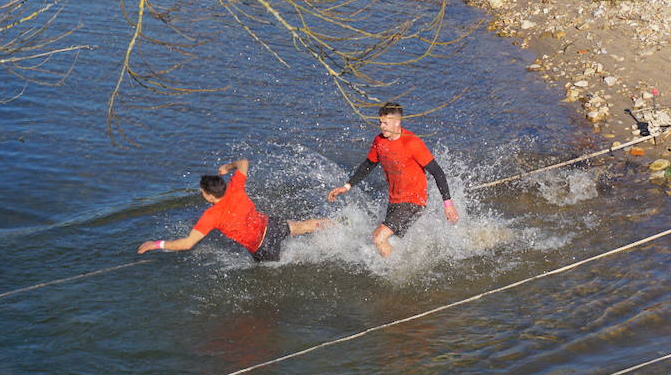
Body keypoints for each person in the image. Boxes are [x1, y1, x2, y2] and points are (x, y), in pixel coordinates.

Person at [326, 103, 460, 257]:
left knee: (378, 237)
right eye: (380, 122)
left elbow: (438, 172)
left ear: (397, 123)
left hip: (413, 202)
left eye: (385, 123)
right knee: (394, 242)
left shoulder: (412, 143)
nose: (381, 127)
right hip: (395, 201)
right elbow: (368, 165)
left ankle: (394, 275)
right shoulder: (379, 141)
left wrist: (448, 205)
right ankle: (404, 267)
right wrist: (347, 186)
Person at [137, 159, 330, 262]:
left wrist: (156, 244)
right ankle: (340, 225)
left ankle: (316, 256)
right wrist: (227, 167)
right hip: (271, 226)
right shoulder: (235, 188)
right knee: (303, 226)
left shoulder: (211, 216)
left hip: (262, 248)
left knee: (282, 266)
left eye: (202, 191)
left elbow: (187, 244)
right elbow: (244, 162)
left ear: (210, 196)